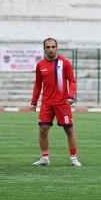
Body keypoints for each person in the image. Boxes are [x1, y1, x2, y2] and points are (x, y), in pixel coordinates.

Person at [30, 38, 81, 167]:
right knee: (43, 130)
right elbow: (38, 84)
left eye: (53, 47)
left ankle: (74, 157)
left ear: (57, 47)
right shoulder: (40, 65)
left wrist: (71, 96)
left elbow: (72, 81)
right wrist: (34, 102)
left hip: (62, 103)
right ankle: (44, 157)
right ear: (44, 49)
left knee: (69, 129)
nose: (51, 49)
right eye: (48, 47)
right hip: (46, 103)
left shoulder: (65, 63)